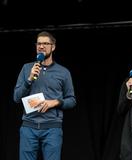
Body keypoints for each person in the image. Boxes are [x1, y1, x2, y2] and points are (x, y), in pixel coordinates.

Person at [13, 31, 76, 160]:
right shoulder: (27, 69)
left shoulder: (63, 72)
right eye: (39, 43)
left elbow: (72, 100)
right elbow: (16, 98)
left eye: (45, 43)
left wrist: (56, 102)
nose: (41, 46)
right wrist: (29, 79)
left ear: (53, 47)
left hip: (52, 128)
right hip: (28, 127)